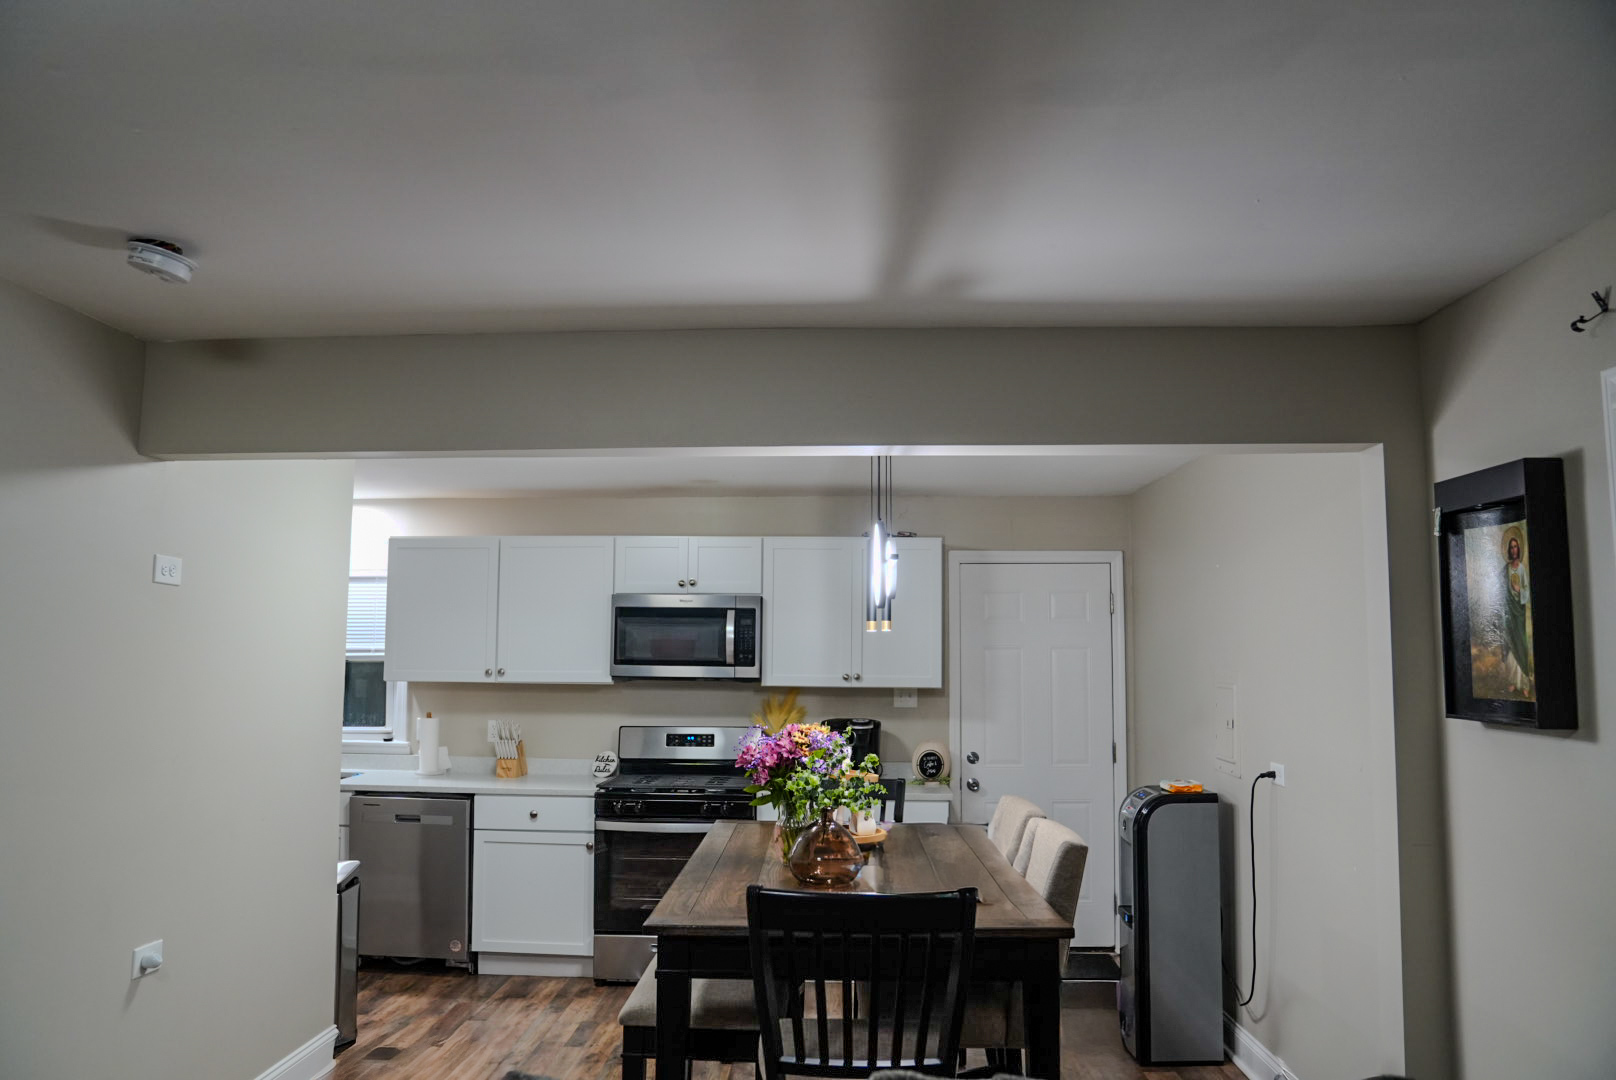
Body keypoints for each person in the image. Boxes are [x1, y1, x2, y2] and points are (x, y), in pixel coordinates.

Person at [1501, 529, 1533, 697]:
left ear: (1519, 549)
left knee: (1521, 644)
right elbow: (1499, 589)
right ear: (1508, 549)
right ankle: (1514, 682)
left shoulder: (1521, 569)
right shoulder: (1505, 569)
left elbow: (1527, 592)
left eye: (1516, 547)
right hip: (1508, 613)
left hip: (1518, 612)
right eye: (1511, 547)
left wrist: (1519, 589)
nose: (1514, 550)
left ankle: (1524, 682)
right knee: (1511, 645)